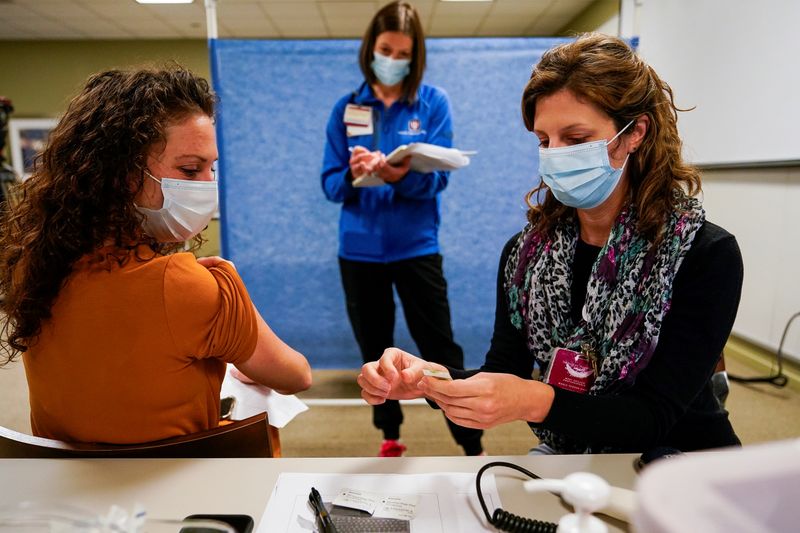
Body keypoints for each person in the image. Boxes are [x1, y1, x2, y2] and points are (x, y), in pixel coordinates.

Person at [357, 33, 743, 454]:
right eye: (544, 141)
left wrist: (535, 399)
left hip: (681, 460)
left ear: (636, 134)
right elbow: (504, 371)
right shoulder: (526, 255)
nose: (555, 155)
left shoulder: (703, 254)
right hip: (572, 456)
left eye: (575, 139)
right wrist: (427, 378)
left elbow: (652, 418)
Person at [0, 66, 312, 444]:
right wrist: (232, 288)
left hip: (66, 488)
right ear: (123, 173)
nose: (207, 186)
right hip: (174, 487)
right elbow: (297, 376)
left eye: (211, 169)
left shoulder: (32, 262)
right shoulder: (190, 286)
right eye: (190, 169)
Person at [321, 1, 483, 457]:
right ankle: (389, 437)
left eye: (401, 52)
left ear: (416, 56)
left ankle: (472, 445)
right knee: (374, 350)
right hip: (359, 252)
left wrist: (400, 175)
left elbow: (440, 177)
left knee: (440, 348)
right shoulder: (347, 107)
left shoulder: (433, 102)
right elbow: (329, 184)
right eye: (384, 49)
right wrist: (356, 174)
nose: (391, 59)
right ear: (370, 48)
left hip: (417, 248)